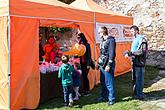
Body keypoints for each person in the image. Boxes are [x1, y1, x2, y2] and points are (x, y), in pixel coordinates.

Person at [125, 25, 148, 100]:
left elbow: (142, 51)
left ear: (136, 31)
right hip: (134, 61)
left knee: (139, 79)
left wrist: (131, 53)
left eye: (132, 31)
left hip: (140, 62)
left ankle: (140, 94)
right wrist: (129, 53)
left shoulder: (142, 39)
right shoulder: (135, 39)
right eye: (130, 31)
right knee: (135, 78)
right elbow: (134, 50)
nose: (131, 33)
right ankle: (136, 93)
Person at [96, 26, 116, 106]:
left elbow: (112, 54)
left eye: (99, 32)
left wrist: (109, 65)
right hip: (102, 64)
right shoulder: (102, 40)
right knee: (103, 81)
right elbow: (101, 54)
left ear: (103, 32)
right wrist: (98, 63)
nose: (98, 34)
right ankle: (103, 96)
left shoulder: (111, 40)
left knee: (109, 82)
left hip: (108, 64)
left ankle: (111, 99)